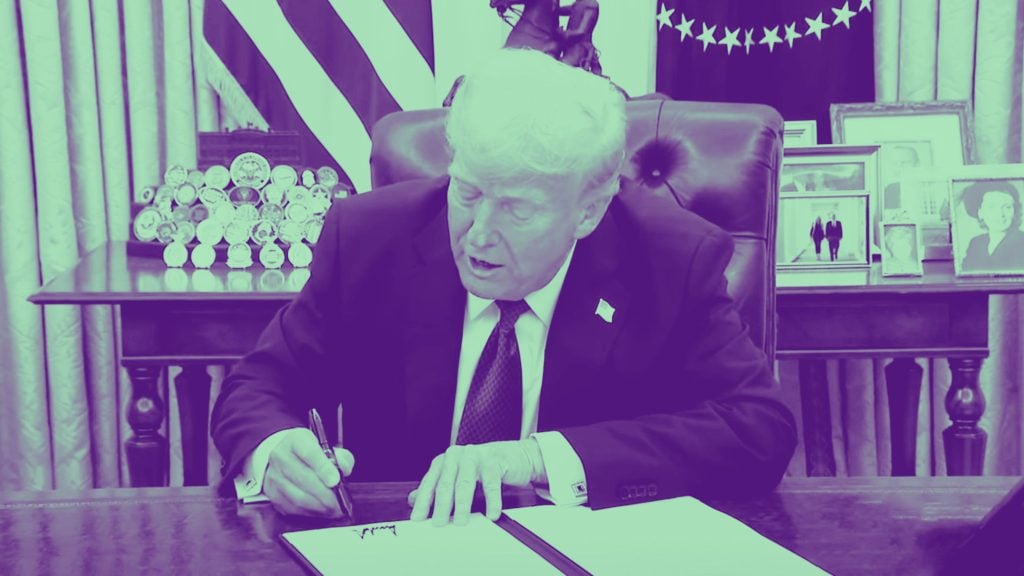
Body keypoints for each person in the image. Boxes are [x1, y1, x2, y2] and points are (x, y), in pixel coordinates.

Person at [210, 49, 796, 526]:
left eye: (516, 209)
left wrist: (538, 458)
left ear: (588, 212)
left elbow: (757, 427)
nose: (477, 236)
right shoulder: (369, 238)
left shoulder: (672, 260)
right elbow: (258, 385)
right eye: (466, 193)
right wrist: (276, 451)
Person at [960, 181, 1024, 272]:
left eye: (1007, 207)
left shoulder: (1022, 242)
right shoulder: (976, 243)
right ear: (980, 212)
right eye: (992, 207)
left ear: (1015, 212)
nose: (1000, 214)